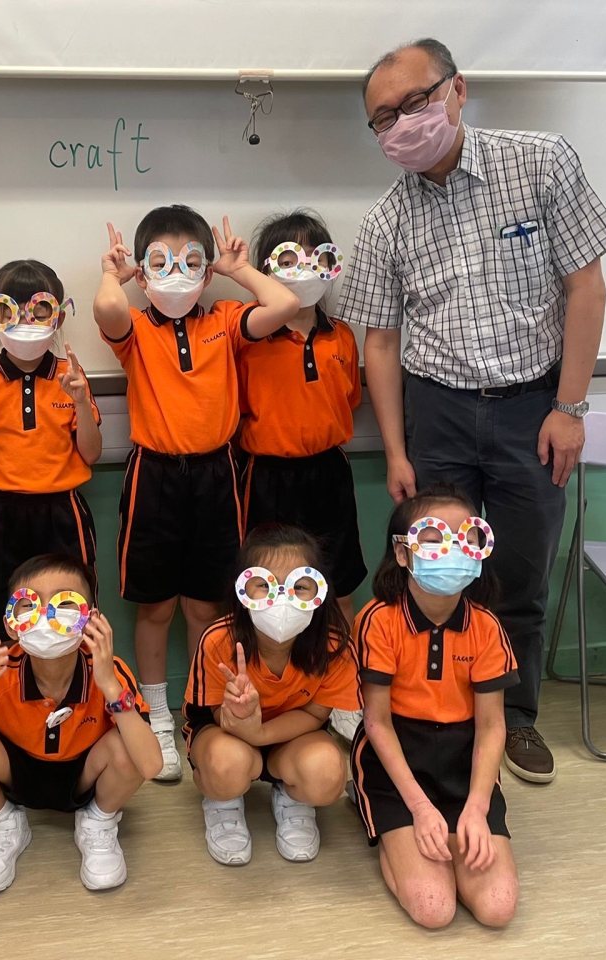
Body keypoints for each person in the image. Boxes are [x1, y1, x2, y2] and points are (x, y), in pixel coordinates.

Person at [337, 38, 606, 783]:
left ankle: (514, 715)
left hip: (535, 408)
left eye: (415, 102)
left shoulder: (541, 163)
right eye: (384, 118)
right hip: (437, 412)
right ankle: (424, 711)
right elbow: (380, 344)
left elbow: (586, 289)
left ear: (457, 89)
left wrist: (570, 407)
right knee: (430, 570)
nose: (403, 123)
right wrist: (396, 452)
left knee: (520, 576)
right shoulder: (386, 220)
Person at [93, 207, 299, 781]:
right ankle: (156, 710)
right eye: (160, 262)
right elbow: (106, 309)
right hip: (154, 475)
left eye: (189, 262)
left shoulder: (226, 319)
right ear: (143, 272)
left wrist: (237, 270)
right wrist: (114, 274)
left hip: (217, 474)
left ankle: (198, 708)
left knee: (206, 606)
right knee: (156, 605)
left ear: (206, 274)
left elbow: (283, 304)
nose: (176, 274)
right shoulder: (137, 329)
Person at [0, 554, 162, 893]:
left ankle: (98, 822)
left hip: (86, 776)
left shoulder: (109, 670)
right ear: (10, 623)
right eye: (30, 605)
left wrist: (109, 685)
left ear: (91, 620)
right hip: (18, 773)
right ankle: (4, 824)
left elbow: (150, 765)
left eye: (64, 604)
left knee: (128, 743)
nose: (46, 616)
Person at [351, 483, 519, 929]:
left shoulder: (487, 627)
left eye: (465, 537)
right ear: (402, 553)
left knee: (498, 908)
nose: (452, 549)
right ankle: (386, 828)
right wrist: (421, 809)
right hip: (399, 758)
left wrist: (477, 807)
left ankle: (449, 831)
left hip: (464, 763)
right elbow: (376, 723)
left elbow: (491, 727)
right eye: (433, 537)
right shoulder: (377, 621)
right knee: (433, 909)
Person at [239, 209, 367, 741]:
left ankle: (344, 692)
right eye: (290, 258)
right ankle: (263, 693)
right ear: (266, 270)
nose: (305, 269)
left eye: (317, 257)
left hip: (328, 472)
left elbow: (348, 401)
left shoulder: (342, 338)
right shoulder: (248, 337)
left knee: (339, 584)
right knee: (264, 586)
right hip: (265, 475)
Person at [182, 524, 357, 866]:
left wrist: (260, 732)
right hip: (227, 733)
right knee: (226, 765)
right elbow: (212, 712)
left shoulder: (335, 646)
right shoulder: (218, 639)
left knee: (327, 774)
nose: (281, 597)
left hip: (294, 736)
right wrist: (239, 715)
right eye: (264, 584)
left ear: (319, 590)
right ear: (243, 588)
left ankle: (292, 795)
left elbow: (315, 714)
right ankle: (223, 801)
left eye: (299, 585)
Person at [0, 259, 101, 642]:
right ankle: (10, 682)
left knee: (73, 619)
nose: (25, 321)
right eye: (11, 310)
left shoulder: (70, 375)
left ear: (57, 316)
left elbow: (91, 454)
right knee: (5, 621)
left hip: (63, 511)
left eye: (38, 310)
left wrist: (81, 403)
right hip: (2, 514)